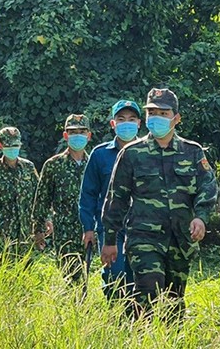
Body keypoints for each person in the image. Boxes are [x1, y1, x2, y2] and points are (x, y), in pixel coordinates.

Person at [101, 88, 218, 316]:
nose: (156, 117)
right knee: (147, 295)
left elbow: (208, 186)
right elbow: (117, 198)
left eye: (163, 113)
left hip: (180, 239)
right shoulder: (132, 153)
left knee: (173, 303)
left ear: (176, 118)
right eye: (152, 112)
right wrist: (110, 239)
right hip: (144, 239)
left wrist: (201, 217)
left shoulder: (192, 152)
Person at [79, 100, 140, 299]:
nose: (126, 123)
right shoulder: (100, 154)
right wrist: (88, 227)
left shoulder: (149, 152)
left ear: (140, 123)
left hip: (142, 227)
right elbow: (88, 193)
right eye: (121, 119)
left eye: (131, 119)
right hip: (110, 227)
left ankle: (137, 325)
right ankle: (115, 324)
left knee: (141, 282)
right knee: (115, 279)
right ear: (113, 124)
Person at [33, 114, 91, 275]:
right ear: (65, 135)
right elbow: (42, 199)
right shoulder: (53, 165)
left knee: (92, 276)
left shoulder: (95, 162)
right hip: (64, 231)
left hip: (91, 230)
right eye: (73, 132)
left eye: (82, 131)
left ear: (89, 135)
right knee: (68, 277)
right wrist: (38, 229)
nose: (77, 135)